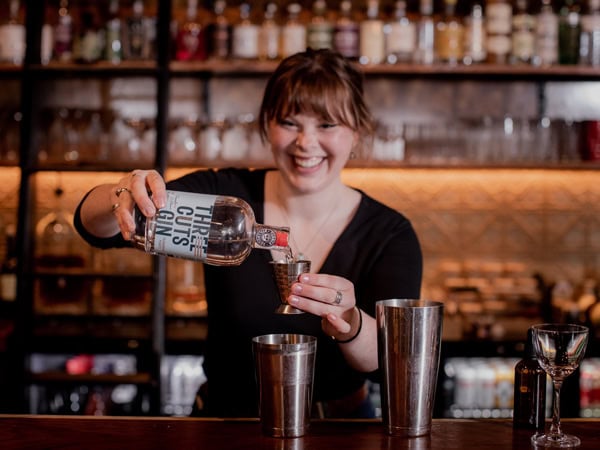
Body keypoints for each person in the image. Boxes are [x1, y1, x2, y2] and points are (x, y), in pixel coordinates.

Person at [74, 48, 422, 418]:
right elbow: (97, 230)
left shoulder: (389, 233)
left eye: (327, 125)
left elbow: (387, 360)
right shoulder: (223, 196)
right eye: (289, 122)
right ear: (266, 124)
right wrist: (122, 194)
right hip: (225, 425)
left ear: (357, 131)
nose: (305, 143)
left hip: (339, 432)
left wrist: (350, 320)